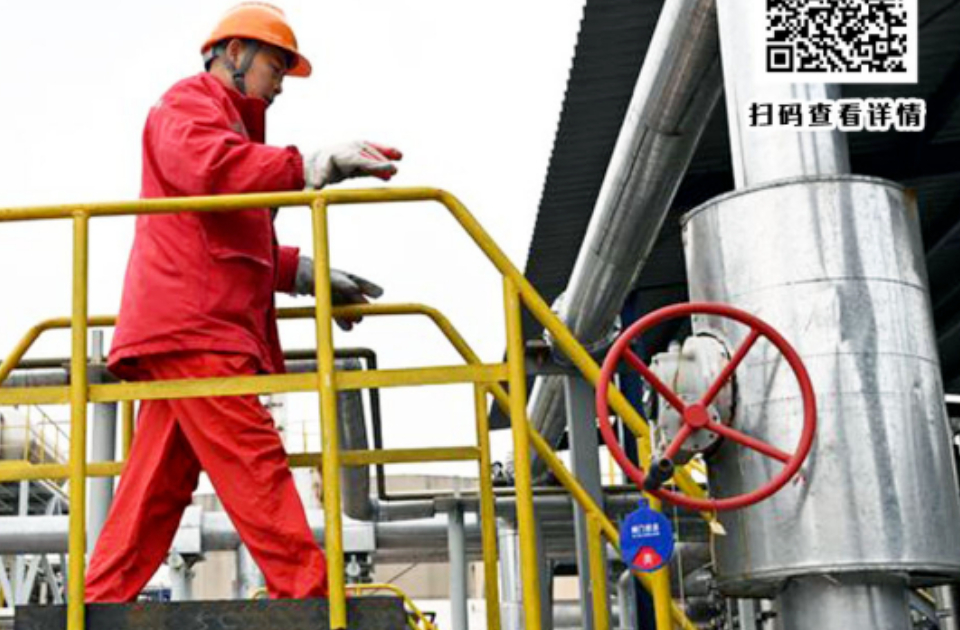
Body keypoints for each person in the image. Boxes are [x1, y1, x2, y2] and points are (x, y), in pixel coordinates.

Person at [84, 2, 401, 602]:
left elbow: (224, 241)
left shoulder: (229, 129)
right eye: (275, 69)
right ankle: (308, 596)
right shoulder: (188, 104)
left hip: (189, 323)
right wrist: (308, 165)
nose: (280, 86)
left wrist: (303, 273)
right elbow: (209, 172)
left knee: (157, 486)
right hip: (197, 327)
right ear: (235, 53)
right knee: (254, 461)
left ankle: (99, 599)